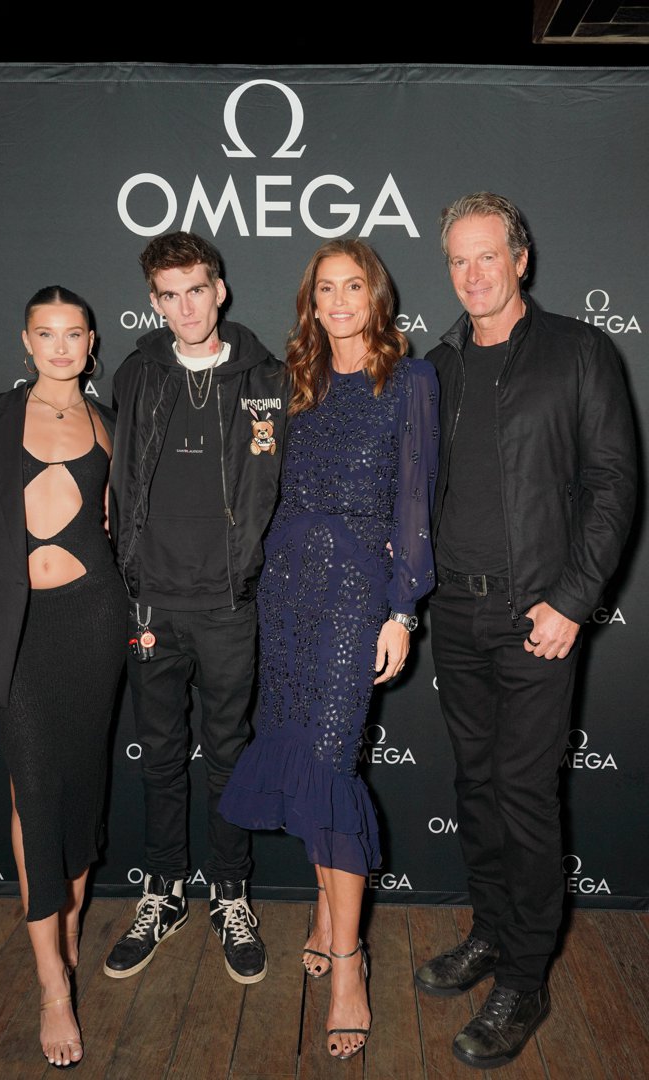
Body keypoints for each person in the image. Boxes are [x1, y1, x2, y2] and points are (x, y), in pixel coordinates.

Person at [414, 192, 637, 1069]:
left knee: (524, 795)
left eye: (487, 257)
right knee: (474, 786)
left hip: (536, 615)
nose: (473, 275)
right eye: (458, 262)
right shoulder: (436, 367)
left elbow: (614, 484)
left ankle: (527, 976)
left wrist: (573, 600)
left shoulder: (579, 351)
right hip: (456, 615)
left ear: (521, 259)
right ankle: (492, 930)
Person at [219, 239, 440, 1060]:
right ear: (309, 301)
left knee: (334, 757)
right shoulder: (292, 384)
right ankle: (323, 908)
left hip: (356, 596)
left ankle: (349, 961)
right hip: (285, 589)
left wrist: (401, 610)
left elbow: (414, 501)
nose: (339, 300)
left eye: (354, 286)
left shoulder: (410, 381)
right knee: (303, 754)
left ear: (376, 296)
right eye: (325, 288)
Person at [0, 286, 127, 1068]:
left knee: (79, 786)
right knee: (35, 786)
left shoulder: (113, 424)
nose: (59, 346)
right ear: (24, 340)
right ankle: (52, 980)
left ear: (90, 342)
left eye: (73, 333)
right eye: (45, 333)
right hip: (13, 633)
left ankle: (70, 924)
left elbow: (126, 526)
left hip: (95, 621)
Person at [105, 231, 287, 985]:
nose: (186, 307)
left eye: (197, 289)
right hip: (152, 602)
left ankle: (230, 892)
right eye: (169, 295)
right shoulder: (138, 373)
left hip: (227, 605)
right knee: (159, 757)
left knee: (230, 757)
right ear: (154, 302)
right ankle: (162, 890)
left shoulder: (266, 377)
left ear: (221, 290)